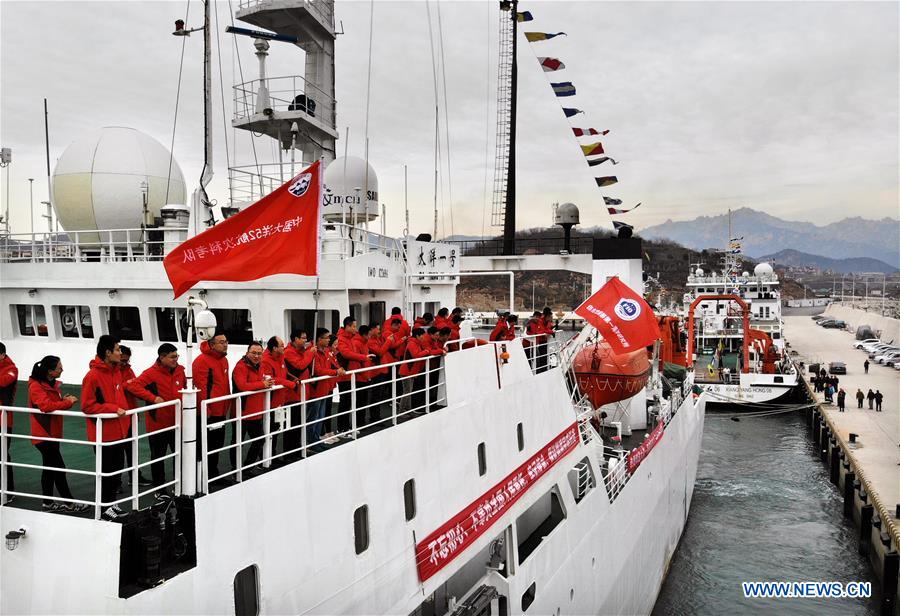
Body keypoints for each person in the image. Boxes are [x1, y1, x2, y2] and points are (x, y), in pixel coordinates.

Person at [28, 356, 88, 513]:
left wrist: (64, 401)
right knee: (59, 468)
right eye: (59, 367)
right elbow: (46, 406)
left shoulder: (50, 385)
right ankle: (70, 504)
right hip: (44, 434)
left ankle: (48, 503)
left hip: (51, 433)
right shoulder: (36, 386)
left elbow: (53, 404)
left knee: (49, 468)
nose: (62, 369)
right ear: (50, 371)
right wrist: (67, 402)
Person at [81, 335, 130, 521]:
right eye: (117, 349)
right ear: (108, 353)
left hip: (119, 431)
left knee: (116, 471)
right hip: (103, 434)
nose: (120, 353)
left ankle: (111, 503)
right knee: (106, 473)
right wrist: (112, 409)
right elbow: (87, 406)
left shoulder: (116, 372)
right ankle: (103, 508)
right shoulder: (92, 376)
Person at [125, 343, 185, 490]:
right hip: (158, 424)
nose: (176, 359)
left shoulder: (181, 371)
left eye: (176, 356)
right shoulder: (150, 373)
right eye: (172, 357)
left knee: (181, 455)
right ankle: (160, 488)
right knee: (158, 457)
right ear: (162, 357)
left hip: (178, 422)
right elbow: (133, 386)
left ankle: (180, 485)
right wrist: (153, 398)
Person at [194, 331, 232, 483]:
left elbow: (224, 384)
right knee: (205, 445)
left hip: (221, 410)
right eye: (221, 342)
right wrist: (205, 409)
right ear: (212, 344)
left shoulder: (224, 360)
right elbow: (201, 387)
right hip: (209, 412)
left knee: (217, 444)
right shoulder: (202, 361)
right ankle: (203, 477)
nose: (225, 344)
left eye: (226, 341)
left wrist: (227, 403)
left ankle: (213, 474)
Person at [231, 342, 274, 472]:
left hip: (255, 412)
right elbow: (242, 386)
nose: (256, 356)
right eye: (253, 353)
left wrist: (267, 383)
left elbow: (261, 382)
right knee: (237, 443)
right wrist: (262, 384)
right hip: (241, 412)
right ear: (247, 353)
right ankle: (236, 471)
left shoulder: (260, 366)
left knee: (259, 439)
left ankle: (247, 467)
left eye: (259, 353)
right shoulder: (240, 367)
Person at [117, 345, 150, 488]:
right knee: (117, 452)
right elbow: (115, 389)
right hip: (118, 416)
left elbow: (135, 386)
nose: (125, 363)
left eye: (127, 360)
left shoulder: (128, 370)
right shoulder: (112, 372)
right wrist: (128, 384)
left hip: (130, 413)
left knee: (132, 448)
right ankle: (116, 481)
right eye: (123, 360)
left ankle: (135, 476)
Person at [261, 335, 299, 458]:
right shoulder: (265, 361)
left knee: (276, 429)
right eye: (282, 345)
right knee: (269, 430)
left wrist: (292, 378)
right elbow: (271, 379)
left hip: (279, 401)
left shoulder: (280, 357)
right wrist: (289, 383)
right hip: (270, 402)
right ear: (274, 348)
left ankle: (273, 457)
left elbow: (284, 372)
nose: (284, 347)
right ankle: (266, 459)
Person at [336, 317, 375, 436]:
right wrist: (364, 358)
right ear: (347, 326)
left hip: (351, 375)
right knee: (345, 402)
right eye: (353, 326)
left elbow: (351, 354)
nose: (355, 328)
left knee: (348, 402)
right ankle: (341, 428)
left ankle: (346, 427)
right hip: (345, 375)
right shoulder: (342, 339)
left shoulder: (350, 338)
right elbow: (346, 354)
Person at [307, 328, 344, 449]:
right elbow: (318, 370)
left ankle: (316, 440)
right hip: (315, 390)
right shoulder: (313, 352)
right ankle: (312, 442)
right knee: (314, 417)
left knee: (320, 417)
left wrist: (337, 369)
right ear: (319, 339)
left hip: (324, 389)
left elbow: (330, 366)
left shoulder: (326, 351)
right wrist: (335, 372)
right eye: (327, 337)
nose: (329, 340)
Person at [400, 328, 446, 415]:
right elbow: (416, 355)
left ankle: (408, 410)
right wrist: (426, 351)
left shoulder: (416, 343)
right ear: (417, 336)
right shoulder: (412, 343)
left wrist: (427, 351)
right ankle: (402, 412)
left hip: (409, 370)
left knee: (408, 391)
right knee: (407, 392)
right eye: (422, 335)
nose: (423, 337)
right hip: (407, 371)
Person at [283, 331, 314, 458]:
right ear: (295, 339)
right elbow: (300, 366)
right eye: (303, 338)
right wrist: (310, 353)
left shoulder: (301, 351)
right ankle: (289, 452)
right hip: (291, 394)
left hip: (300, 392)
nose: (305, 340)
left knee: (299, 423)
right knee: (291, 424)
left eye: (306, 338)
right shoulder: (289, 352)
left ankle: (297, 449)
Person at [0, 342, 18, 496]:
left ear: (2, 355)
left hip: (4, 420)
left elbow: (4, 382)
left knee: (3, 454)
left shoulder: (12, 370)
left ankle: (8, 491)